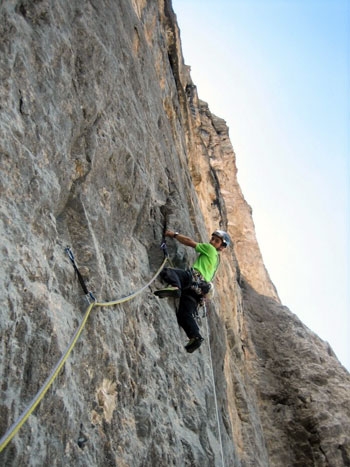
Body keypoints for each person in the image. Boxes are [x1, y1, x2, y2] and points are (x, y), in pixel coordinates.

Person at [154, 229, 231, 353]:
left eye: (216, 241)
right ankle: (195, 337)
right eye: (213, 239)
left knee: (169, 272)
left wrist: (174, 234)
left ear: (221, 247)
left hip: (192, 279)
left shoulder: (210, 249)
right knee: (184, 315)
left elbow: (189, 242)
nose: (212, 242)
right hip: (199, 291)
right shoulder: (216, 262)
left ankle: (175, 287)